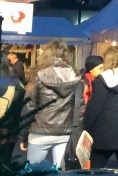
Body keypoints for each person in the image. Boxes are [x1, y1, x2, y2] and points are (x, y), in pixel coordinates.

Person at [20, 40, 82, 168]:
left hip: (39, 131)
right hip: (65, 133)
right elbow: (79, 109)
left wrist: (22, 134)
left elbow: (28, 107)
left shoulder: (38, 76)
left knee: (32, 175)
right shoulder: (75, 77)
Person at [83, 44, 118, 170]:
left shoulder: (101, 80)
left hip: (103, 135)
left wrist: (85, 127)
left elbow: (94, 108)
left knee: (95, 171)